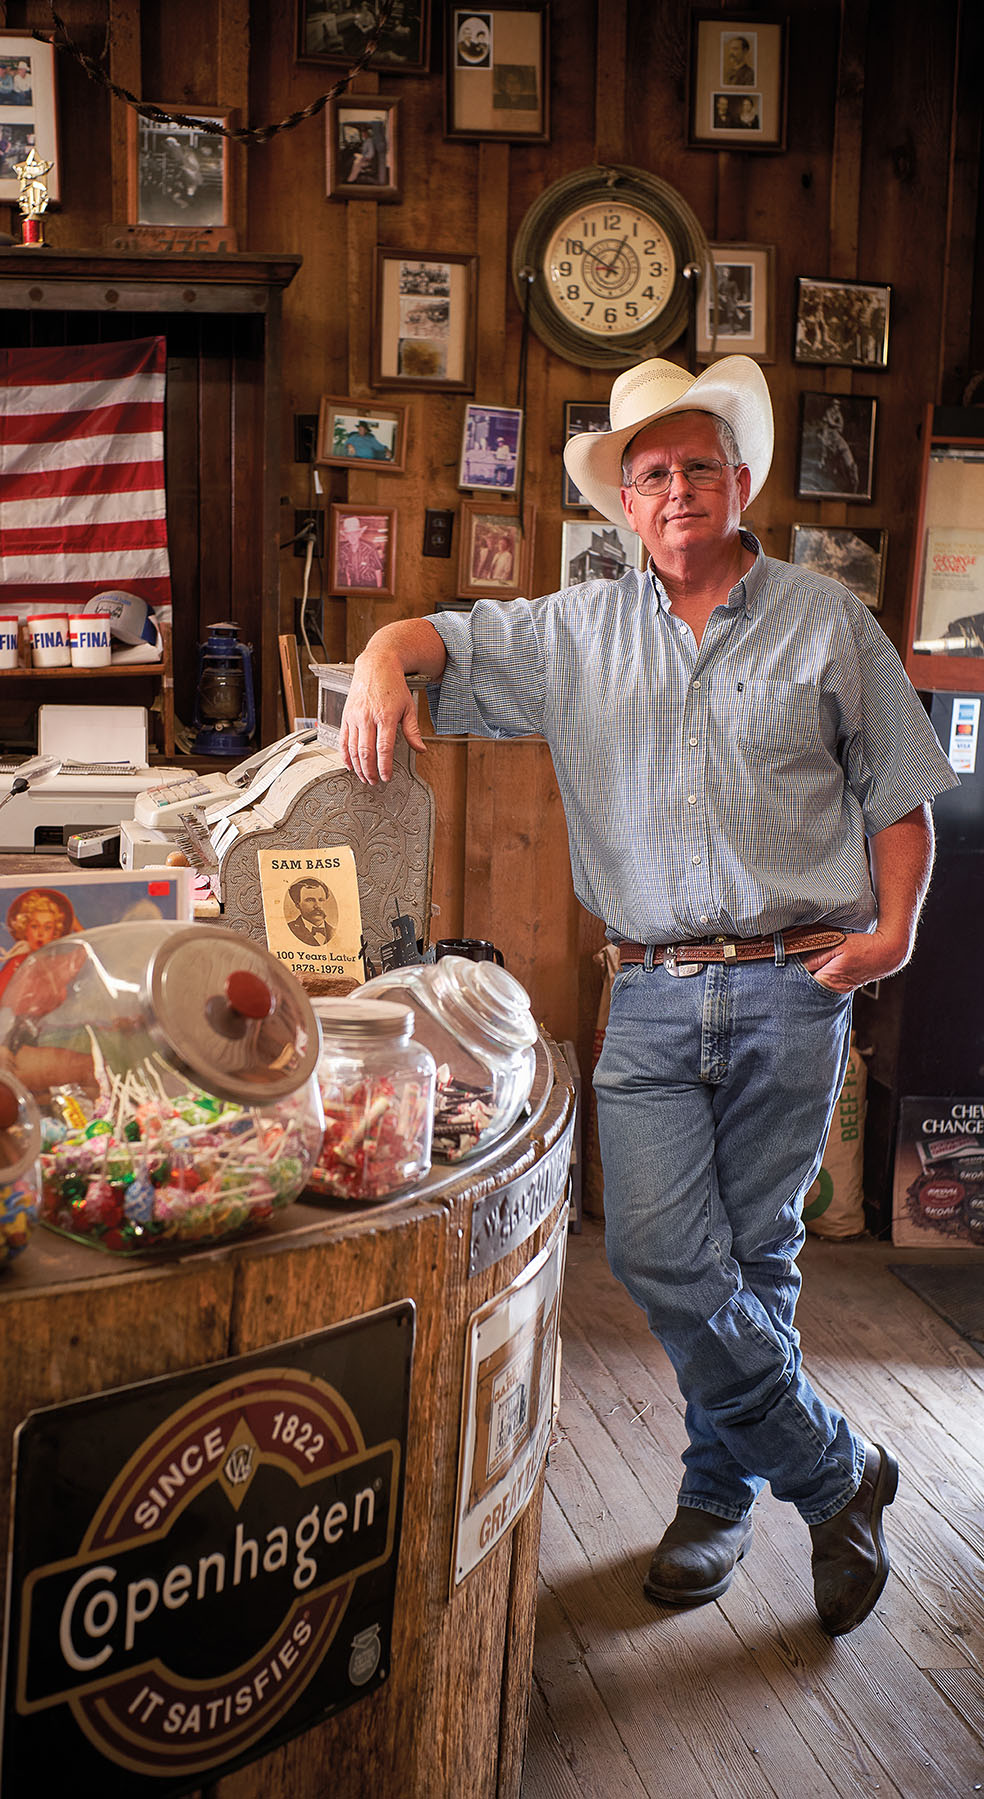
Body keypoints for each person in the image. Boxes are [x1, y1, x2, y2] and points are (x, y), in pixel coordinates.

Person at [337, 353, 959, 1636]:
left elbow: (899, 792)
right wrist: (379, 660)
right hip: (657, 994)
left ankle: (714, 1502)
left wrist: (895, 931)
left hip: (799, 979)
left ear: (741, 480)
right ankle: (840, 1472)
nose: (676, 489)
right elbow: (430, 640)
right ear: (625, 503)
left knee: (759, 1255)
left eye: (697, 466)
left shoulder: (826, 620)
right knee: (663, 1252)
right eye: (651, 473)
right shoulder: (573, 631)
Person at [0, 888, 79, 1046]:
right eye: (35, 926)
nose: (41, 934)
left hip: (57, 1034)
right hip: (22, 1037)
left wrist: (75, 924)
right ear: (24, 929)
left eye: (48, 927)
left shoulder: (59, 962)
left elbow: (89, 951)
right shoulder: (19, 963)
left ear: (56, 932)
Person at [287, 879, 335, 945]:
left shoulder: (333, 931)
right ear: (297, 905)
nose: (317, 906)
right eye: (310, 900)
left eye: (321, 900)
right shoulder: (289, 930)